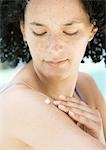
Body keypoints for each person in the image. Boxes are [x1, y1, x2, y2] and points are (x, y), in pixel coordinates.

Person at [0, 0, 106, 149]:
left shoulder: (86, 87)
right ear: (23, 30)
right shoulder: (17, 103)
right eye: (40, 32)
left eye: (70, 31)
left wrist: (100, 138)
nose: (54, 48)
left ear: (92, 29)